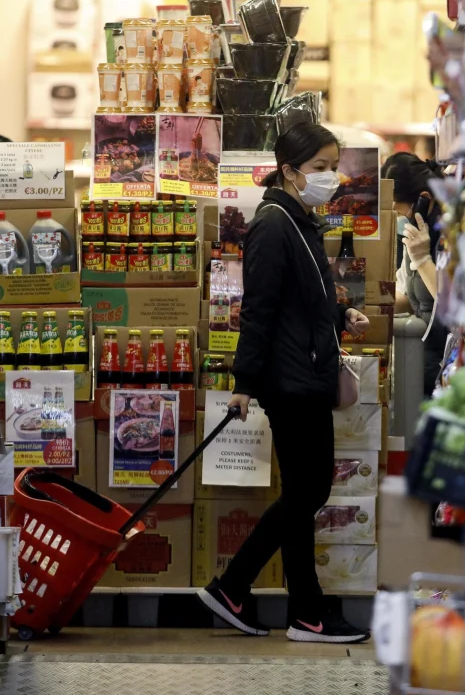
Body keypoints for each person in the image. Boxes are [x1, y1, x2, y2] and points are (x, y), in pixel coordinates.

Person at [197, 123, 371, 644]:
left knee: (302, 493)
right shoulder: (274, 225)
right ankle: (238, 586)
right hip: (290, 381)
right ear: (290, 170)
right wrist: (244, 382)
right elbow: (259, 309)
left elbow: (304, 302)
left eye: (333, 166)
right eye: (320, 167)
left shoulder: (298, 221)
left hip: (304, 372)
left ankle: (304, 613)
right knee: (309, 491)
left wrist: (341, 316)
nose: (330, 176)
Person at [390, 156, 449, 399]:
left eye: (399, 210)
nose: (398, 217)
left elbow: (450, 300)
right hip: (420, 359)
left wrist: (423, 259)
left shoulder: (447, 233)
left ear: (424, 199)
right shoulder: (413, 235)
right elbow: (406, 297)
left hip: (443, 362)